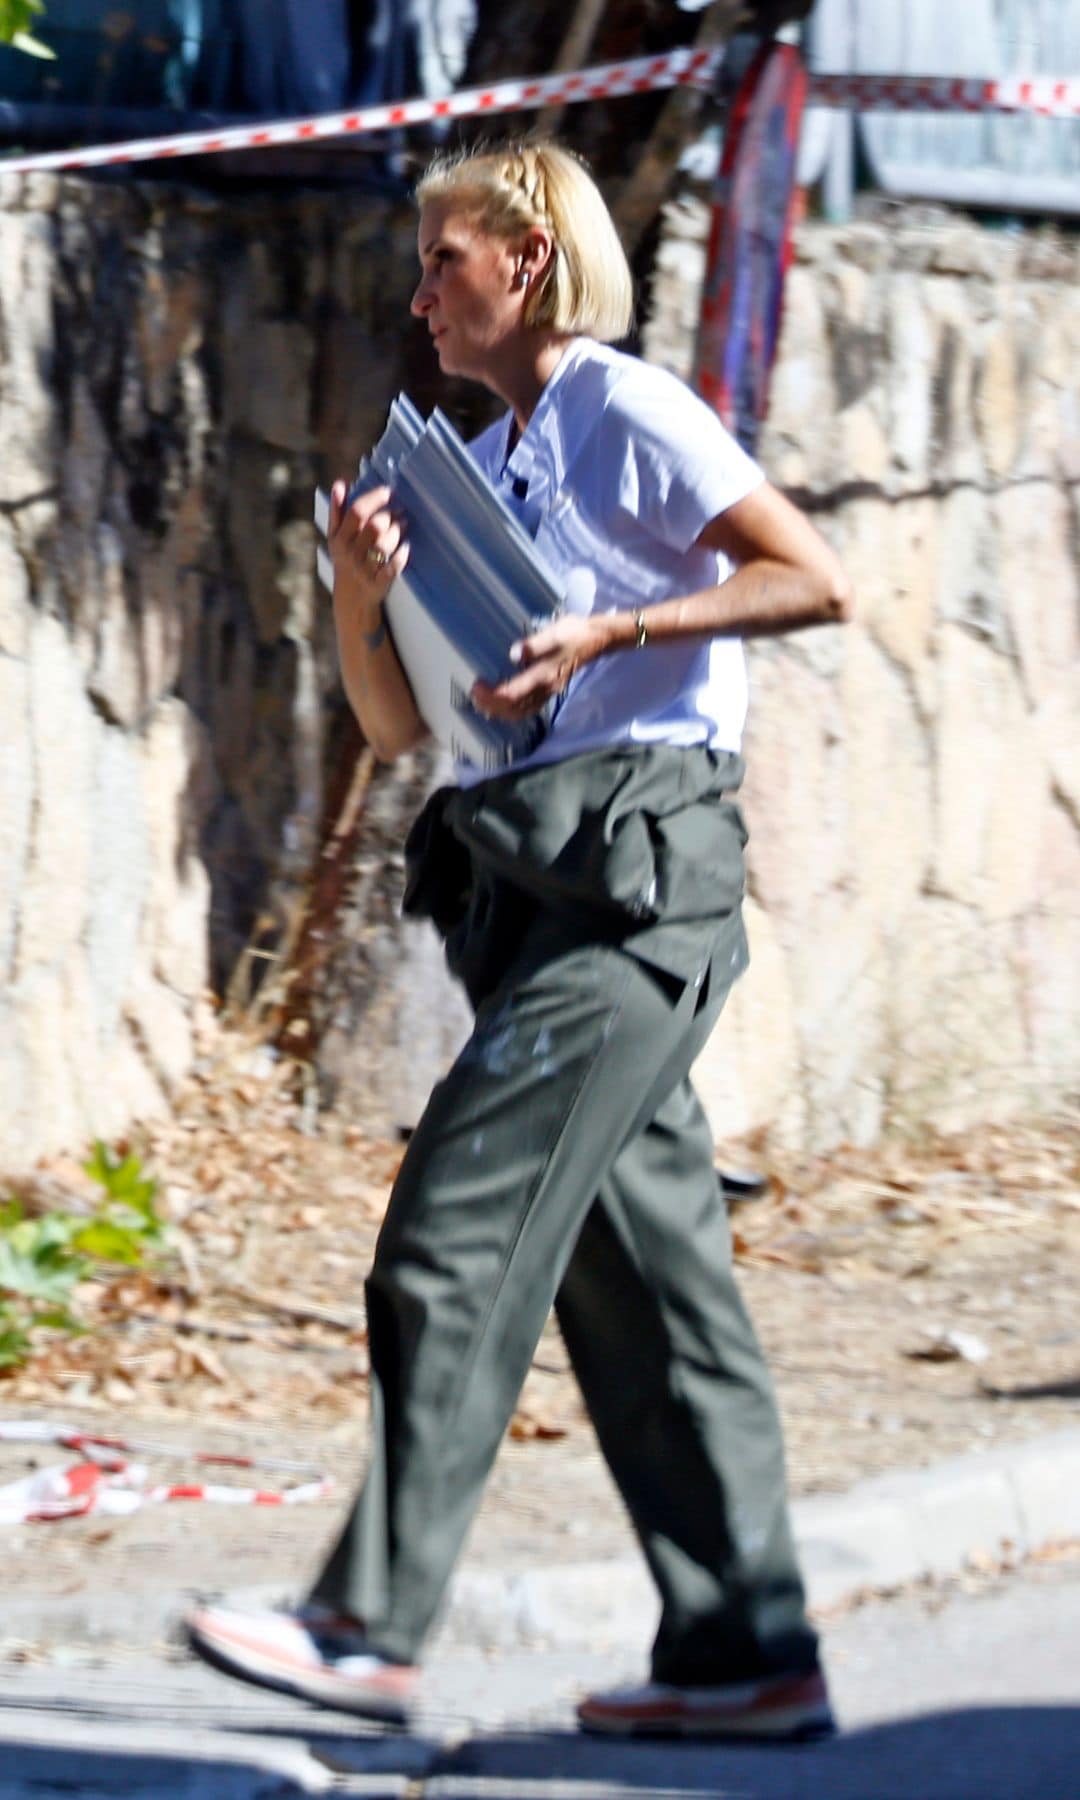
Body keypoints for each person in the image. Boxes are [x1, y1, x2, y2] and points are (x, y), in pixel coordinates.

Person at [187, 140, 853, 1740]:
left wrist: (618, 624)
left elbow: (808, 576)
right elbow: (404, 720)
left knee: (450, 1239)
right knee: (651, 1298)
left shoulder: (623, 406)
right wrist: (360, 598)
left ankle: (367, 1623)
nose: (420, 297)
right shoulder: (483, 462)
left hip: (635, 894)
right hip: (535, 892)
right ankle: (744, 1654)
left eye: (445, 264)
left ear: (530, 264)